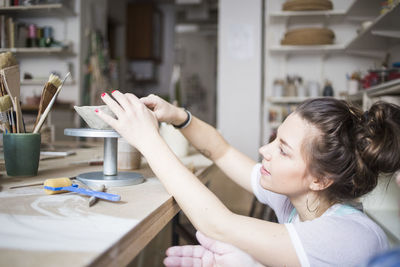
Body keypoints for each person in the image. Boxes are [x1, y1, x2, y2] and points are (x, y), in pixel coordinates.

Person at [96, 91, 400, 266]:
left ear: (320, 180)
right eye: (274, 139)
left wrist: (148, 141)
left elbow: (217, 224)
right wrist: (178, 116)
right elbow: (221, 150)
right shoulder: (298, 202)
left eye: (283, 150)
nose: (263, 151)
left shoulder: (347, 236)